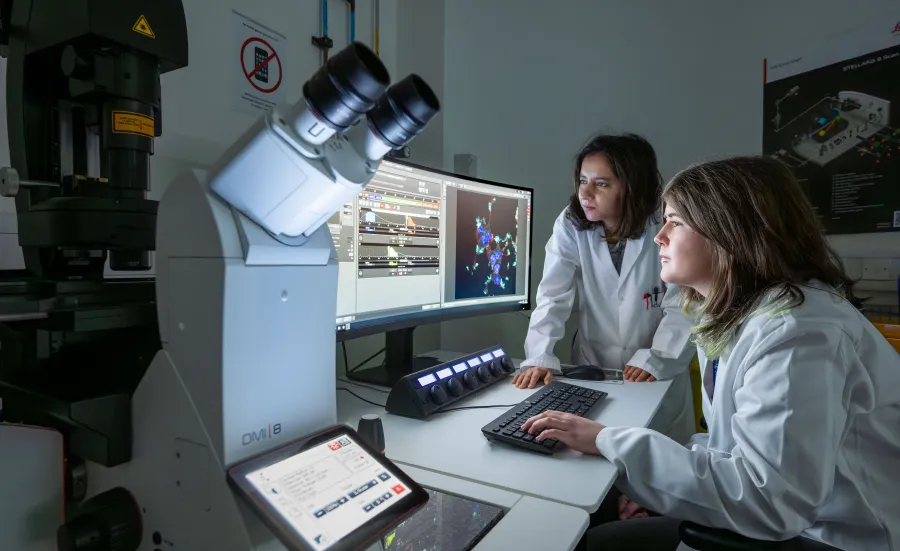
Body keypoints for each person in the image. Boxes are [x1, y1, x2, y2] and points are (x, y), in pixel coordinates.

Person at [522, 156, 900, 550]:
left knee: (590, 544)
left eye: (676, 222)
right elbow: (731, 445)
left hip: (833, 537)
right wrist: (658, 481)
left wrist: (609, 443)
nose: (659, 236)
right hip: (788, 518)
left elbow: (769, 501)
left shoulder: (796, 333)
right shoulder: (741, 312)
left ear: (731, 233)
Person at [511, 133, 696, 442]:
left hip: (654, 372)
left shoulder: (664, 224)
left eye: (601, 183)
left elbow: (684, 303)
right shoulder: (571, 224)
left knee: (655, 465)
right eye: (582, 180)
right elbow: (553, 295)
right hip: (592, 366)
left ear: (632, 187)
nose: (585, 193)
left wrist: (658, 357)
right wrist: (539, 356)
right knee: (597, 456)